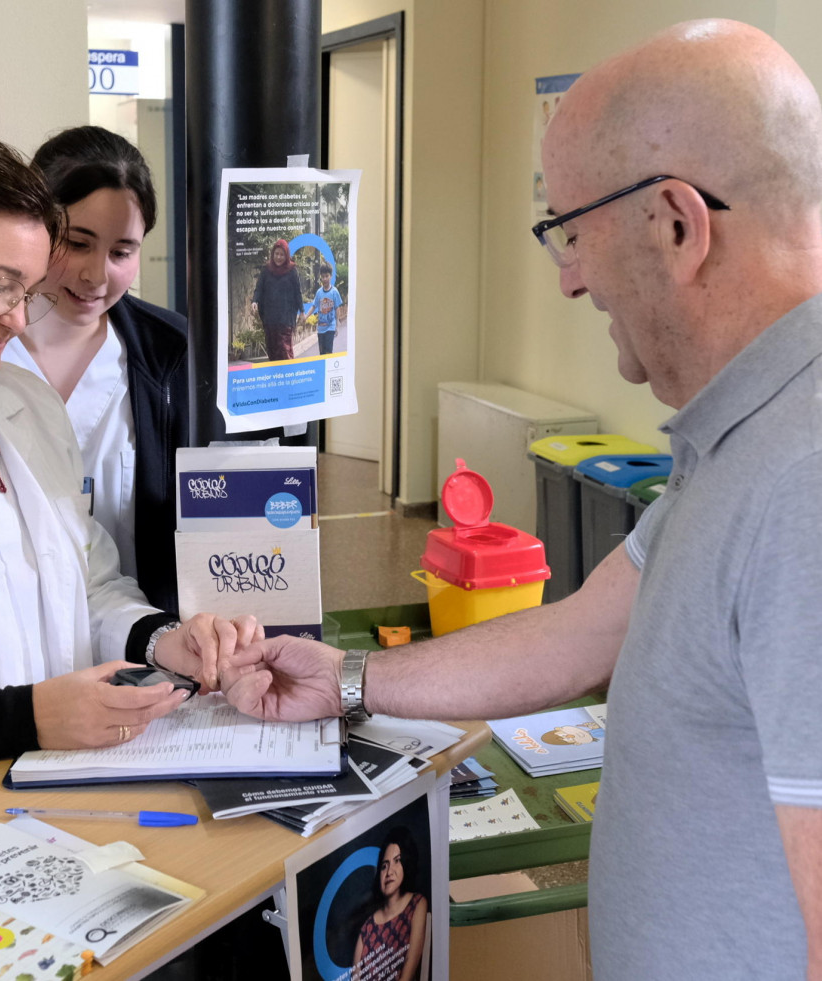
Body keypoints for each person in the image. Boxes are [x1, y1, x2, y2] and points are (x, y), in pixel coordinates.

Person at [221, 20, 822, 980]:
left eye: (569, 231)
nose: (570, 276)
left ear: (677, 222)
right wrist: (340, 681)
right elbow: (584, 632)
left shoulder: (803, 482)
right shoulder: (742, 436)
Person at [0, 131, 258, 808]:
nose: (16, 318)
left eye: (27, 290)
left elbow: (88, 584)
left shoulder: (21, 404)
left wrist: (162, 638)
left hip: (46, 793)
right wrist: (23, 716)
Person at [1, 126, 186, 613]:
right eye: (77, 243)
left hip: (138, 648)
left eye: (122, 252)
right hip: (7, 652)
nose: (97, 275)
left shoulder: (171, 353)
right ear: (34, 226)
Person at [352, 827, 427, 981]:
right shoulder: (367, 928)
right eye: (384, 866)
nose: (389, 872)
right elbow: (356, 977)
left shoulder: (417, 903)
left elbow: (411, 961)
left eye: (397, 861)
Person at [250, 239, 304, 361]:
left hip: (286, 319)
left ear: (286, 255)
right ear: (273, 254)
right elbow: (259, 288)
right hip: (270, 318)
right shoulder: (267, 270)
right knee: (272, 351)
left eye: (282, 254)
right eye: (276, 254)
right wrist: (255, 301)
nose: (278, 257)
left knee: (284, 351)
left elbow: (297, 292)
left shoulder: (292, 271)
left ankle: (288, 377)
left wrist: (302, 311)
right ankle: (276, 378)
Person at [303, 262, 344, 356]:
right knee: (322, 353)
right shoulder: (319, 293)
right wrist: (306, 316)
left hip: (330, 327)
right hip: (321, 328)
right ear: (320, 277)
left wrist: (337, 325)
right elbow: (314, 306)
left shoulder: (334, 292)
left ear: (331, 276)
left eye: (327, 276)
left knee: (328, 352)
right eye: (323, 276)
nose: (325, 279)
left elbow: (337, 308)